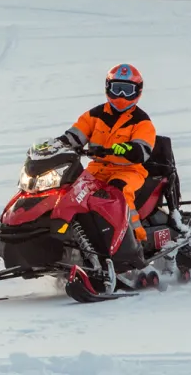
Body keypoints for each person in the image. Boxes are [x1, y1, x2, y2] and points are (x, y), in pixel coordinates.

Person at [40, 63, 155, 248]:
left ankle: (135, 239)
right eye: (116, 89)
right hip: (97, 168)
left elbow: (143, 150)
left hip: (128, 170)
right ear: (108, 88)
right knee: (70, 190)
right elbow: (75, 135)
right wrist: (56, 145)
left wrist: (127, 149)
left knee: (119, 192)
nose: (121, 96)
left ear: (137, 92)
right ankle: (69, 236)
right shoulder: (94, 115)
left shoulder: (142, 121)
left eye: (127, 90)